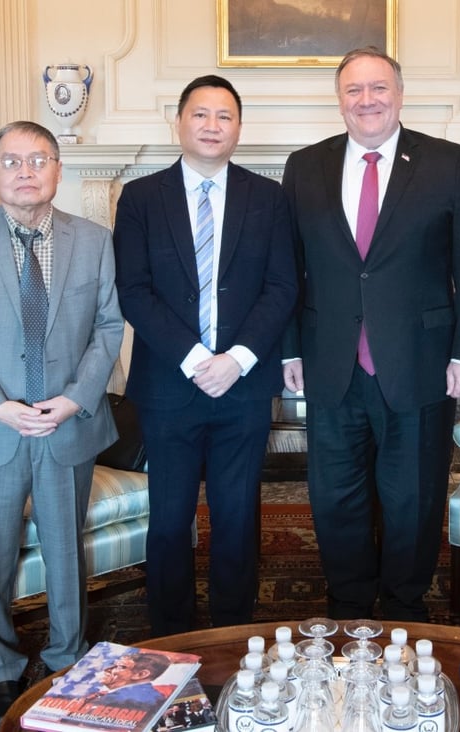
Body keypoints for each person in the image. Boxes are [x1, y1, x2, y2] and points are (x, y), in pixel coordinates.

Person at [281, 47, 460, 621]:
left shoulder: (446, 162)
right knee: (336, 496)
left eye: (379, 88)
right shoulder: (305, 166)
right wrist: (288, 350)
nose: (367, 100)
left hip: (421, 361)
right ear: (339, 100)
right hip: (330, 362)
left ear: (400, 95)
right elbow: (288, 269)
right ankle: (349, 606)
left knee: (414, 496)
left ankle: (404, 605)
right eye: (354, 89)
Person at [0, 120, 123, 731]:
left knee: (66, 547)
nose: (25, 171)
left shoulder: (93, 239)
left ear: (57, 170)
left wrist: (73, 400)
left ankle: (68, 657)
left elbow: (108, 327)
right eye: (12, 161)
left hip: (66, 423)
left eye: (38, 160)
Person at [113, 75, 297, 635]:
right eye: (201, 114)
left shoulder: (269, 198)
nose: (212, 126)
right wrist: (195, 359)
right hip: (169, 385)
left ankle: (232, 632)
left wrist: (237, 358)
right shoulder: (141, 197)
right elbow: (133, 291)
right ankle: (171, 634)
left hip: (243, 384)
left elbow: (282, 286)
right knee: (170, 519)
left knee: (237, 517)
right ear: (179, 122)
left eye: (224, 116)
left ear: (238, 128)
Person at [86, 651, 174, 710]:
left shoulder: (122, 699)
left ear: (141, 674)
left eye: (120, 667)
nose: (108, 669)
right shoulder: (149, 694)